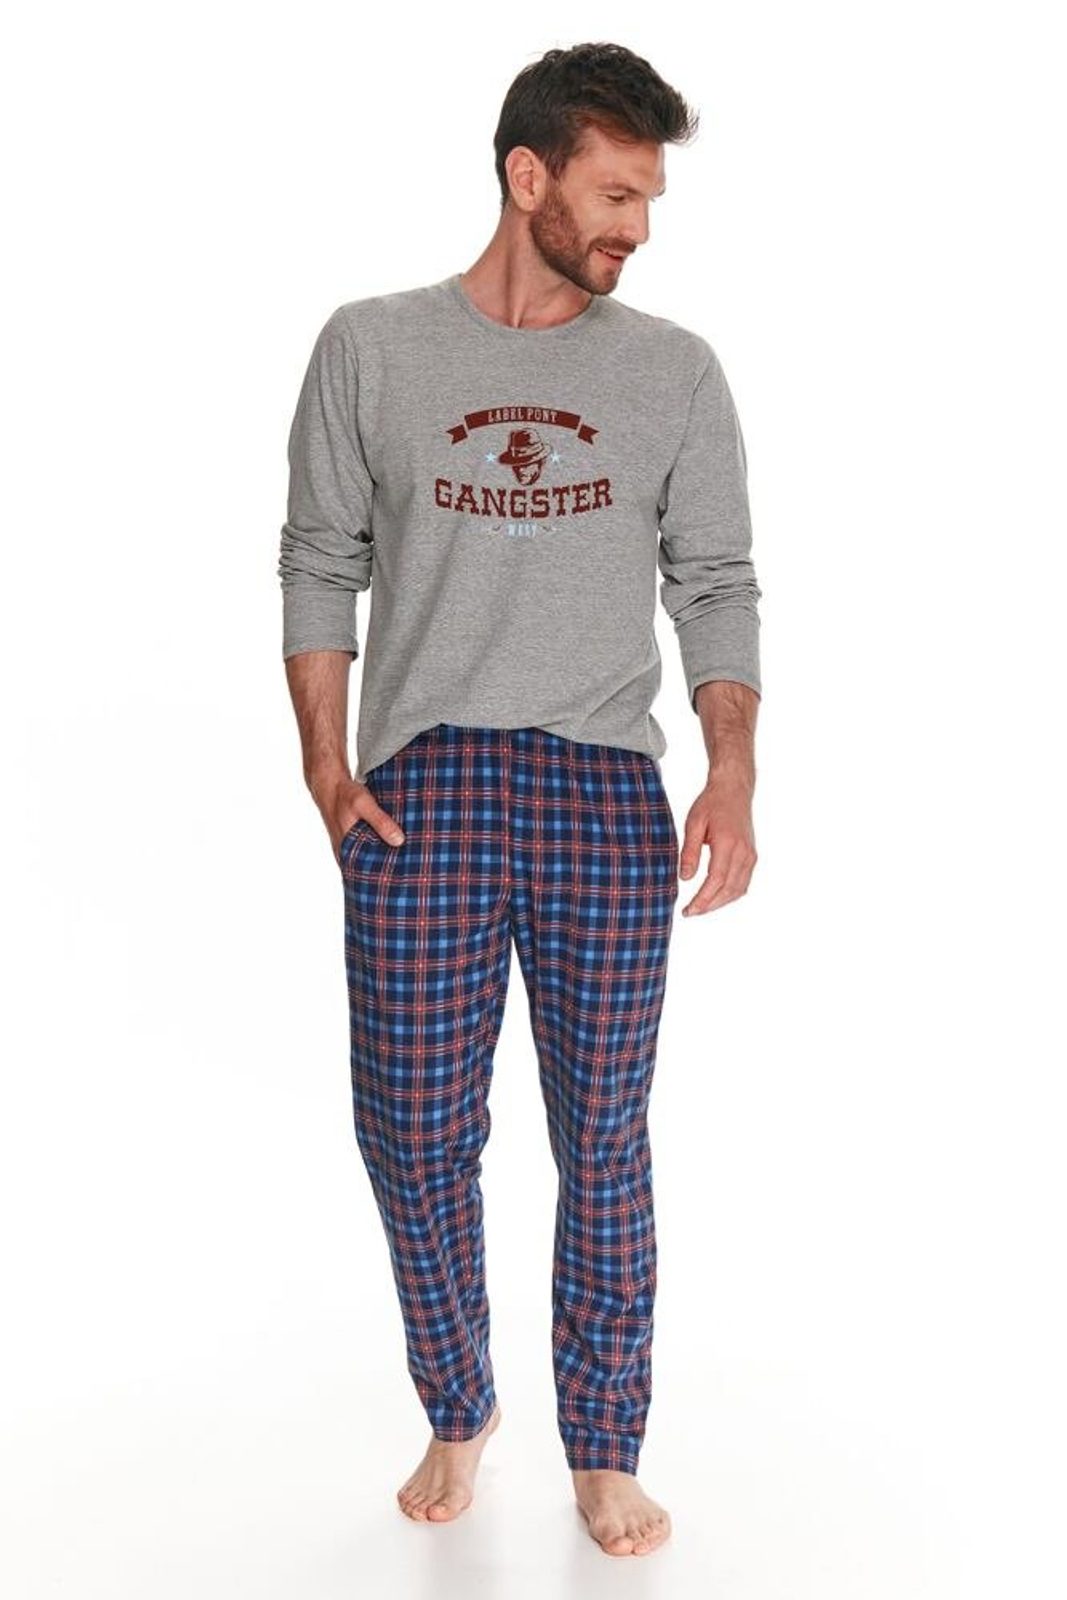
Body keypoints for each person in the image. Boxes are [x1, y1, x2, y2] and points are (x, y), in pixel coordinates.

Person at [277, 40, 761, 1559]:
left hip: (602, 787)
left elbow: (717, 582)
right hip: (421, 790)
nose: (639, 228)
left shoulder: (673, 371)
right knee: (411, 1134)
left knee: (601, 1136)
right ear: (527, 175)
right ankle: (460, 1402)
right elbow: (319, 558)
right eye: (616, 195)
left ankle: (604, 1447)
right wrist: (326, 764)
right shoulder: (371, 347)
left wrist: (733, 768)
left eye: (651, 199)